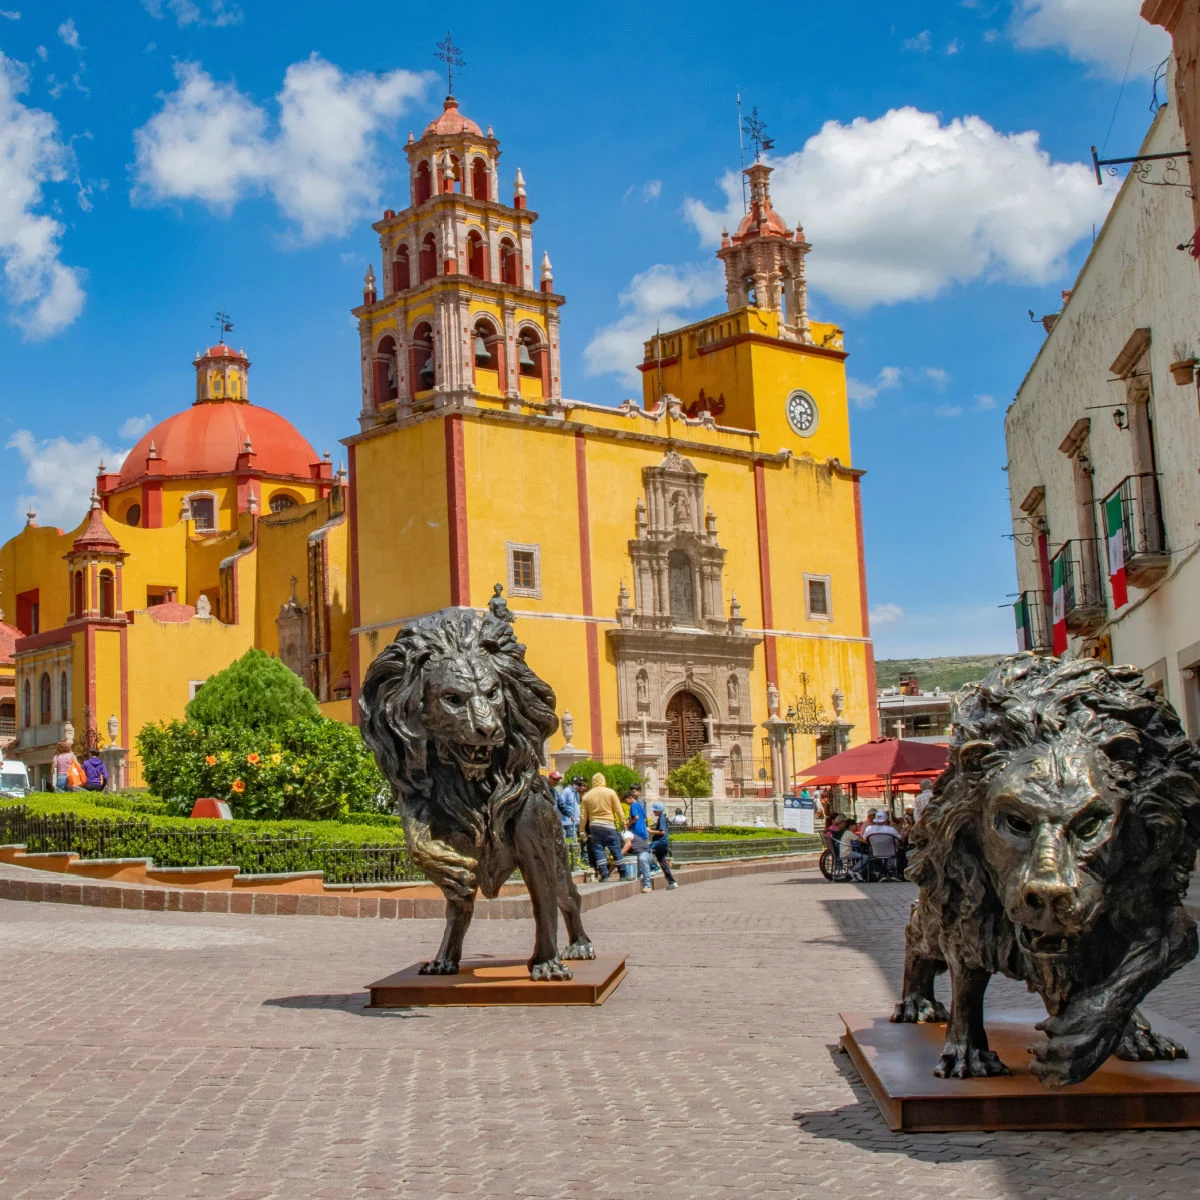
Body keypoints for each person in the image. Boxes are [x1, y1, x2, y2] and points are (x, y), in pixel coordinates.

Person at [579, 772, 625, 881]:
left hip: (594, 826)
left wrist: (581, 830)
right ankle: (623, 874)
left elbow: (583, 816)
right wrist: (623, 821)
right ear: (603, 780)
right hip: (609, 824)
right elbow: (618, 809)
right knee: (615, 848)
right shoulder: (610, 793)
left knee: (598, 850)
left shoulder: (586, 796)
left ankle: (604, 875)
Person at [648, 801, 678, 889]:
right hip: (664, 843)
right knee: (663, 862)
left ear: (658, 811)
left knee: (646, 851)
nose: (653, 812)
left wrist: (650, 831)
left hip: (659, 842)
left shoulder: (661, 818)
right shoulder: (663, 818)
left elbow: (662, 832)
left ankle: (654, 868)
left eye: (654, 810)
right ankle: (672, 882)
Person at [621, 825, 655, 892]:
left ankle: (647, 885)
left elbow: (628, 845)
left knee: (642, 858)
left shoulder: (624, 833)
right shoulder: (618, 841)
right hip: (636, 854)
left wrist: (619, 856)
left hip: (645, 853)